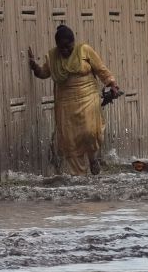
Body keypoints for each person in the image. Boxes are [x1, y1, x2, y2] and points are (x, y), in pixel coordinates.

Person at [27, 25, 120, 176]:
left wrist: (112, 84)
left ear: (73, 42)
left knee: (90, 132)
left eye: (68, 46)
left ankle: (92, 158)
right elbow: (44, 73)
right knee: (70, 140)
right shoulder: (52, 57)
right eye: (61, 47)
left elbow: (101, 69)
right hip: (66, 104)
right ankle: (79, 177)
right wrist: (35, 67)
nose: (64, 50)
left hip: (88, 98)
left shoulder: (84, 50)